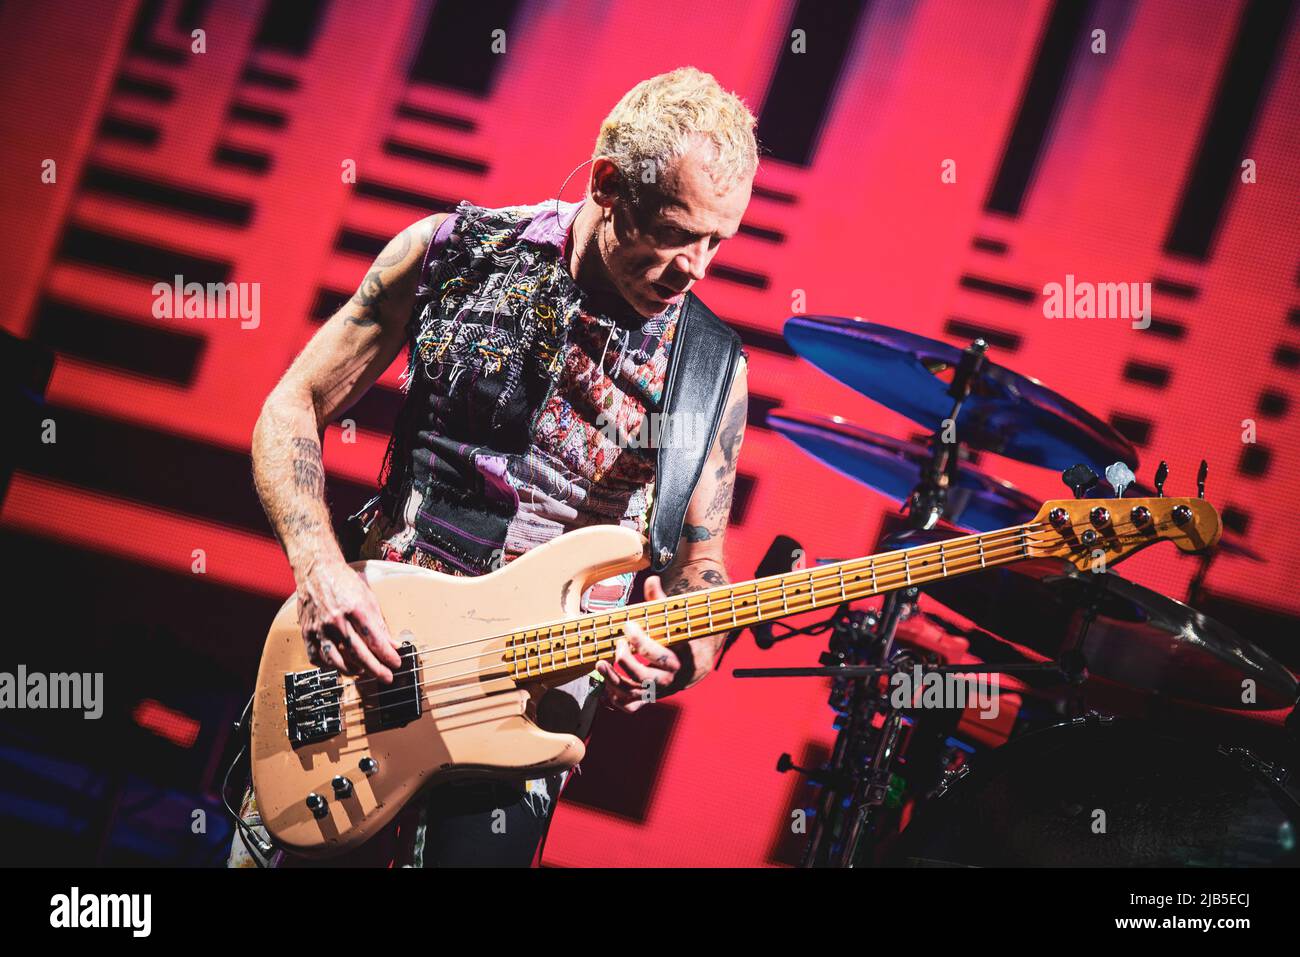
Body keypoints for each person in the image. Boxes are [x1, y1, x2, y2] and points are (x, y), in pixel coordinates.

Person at [229, 66, 759, 867]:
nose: (698, 268)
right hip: (373, 658)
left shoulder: (711, 367)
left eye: (718, 240)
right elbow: (290, 406)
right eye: (679, 233)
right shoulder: (455, 251)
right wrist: (320, 572)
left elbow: (701, 568)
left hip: (530, 705)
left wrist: (675, 657)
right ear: (609, 185)